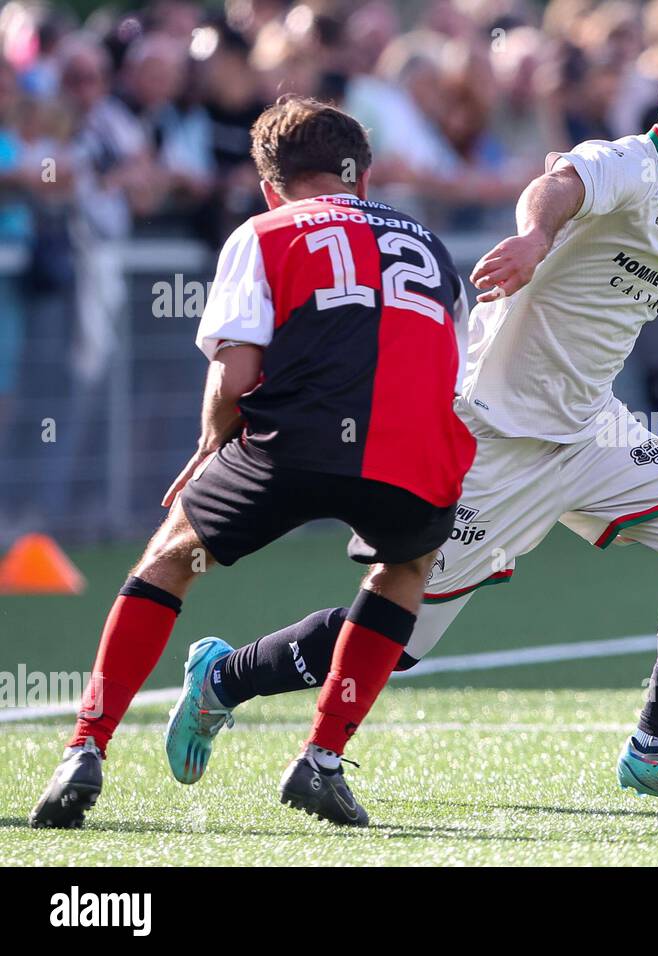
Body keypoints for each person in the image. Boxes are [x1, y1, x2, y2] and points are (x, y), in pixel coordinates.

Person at [164, 40, 658, 809]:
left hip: (590, 433)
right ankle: (224, 677)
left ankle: (657, 747)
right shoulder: (625, 162)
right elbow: (557, 186)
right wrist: (536, 238)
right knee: (400, 636)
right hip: (492, 437)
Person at [29, 95, 475, 829]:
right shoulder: (429, 241)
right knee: (405, 568)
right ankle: (322, 759)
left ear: (273, 186)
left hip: (293, 439)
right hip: (415, 449)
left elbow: (236, 376)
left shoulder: (265, 229)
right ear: (363, 178)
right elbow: (446, 363)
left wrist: (212, 443)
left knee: (172, 558)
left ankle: (87, 746)